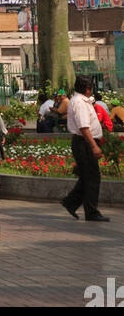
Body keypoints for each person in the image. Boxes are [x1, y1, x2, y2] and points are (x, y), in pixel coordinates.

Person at [61, 76, 109, 221]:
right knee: (92, 177)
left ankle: (70, 202)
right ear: (87, 89)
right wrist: (94, 146)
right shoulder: (80, 103)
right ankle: (91, 211)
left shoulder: (80, 100)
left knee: (87, 176)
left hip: (84, 142)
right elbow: (84, 127)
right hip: (85, 143)